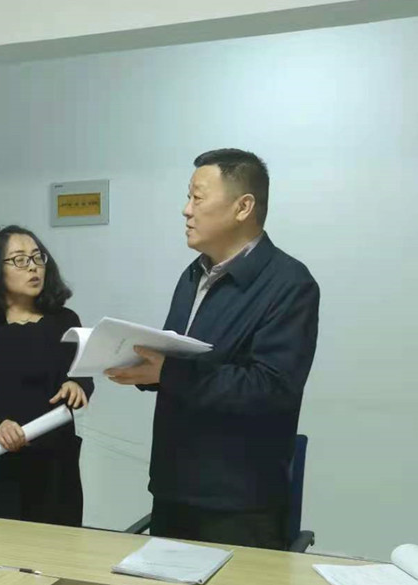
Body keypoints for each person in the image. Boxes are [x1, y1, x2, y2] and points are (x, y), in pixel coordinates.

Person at [106, 148, 320, 550]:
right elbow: (182, 358)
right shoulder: (193, 274)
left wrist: (167, 372)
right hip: (173, 485)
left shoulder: (290, 284)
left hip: (238, 502)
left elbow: (271, 388)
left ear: (243, 207)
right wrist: (140, 365)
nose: (186, 210)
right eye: (187, 198)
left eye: (197, 198)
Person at [0, 226, 93, 526]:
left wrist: (77, 385)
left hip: (54, 463)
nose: (33, 267)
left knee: (55, 546)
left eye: (37, 257)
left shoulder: (65, 320)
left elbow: (84, 375)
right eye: (19, 260)